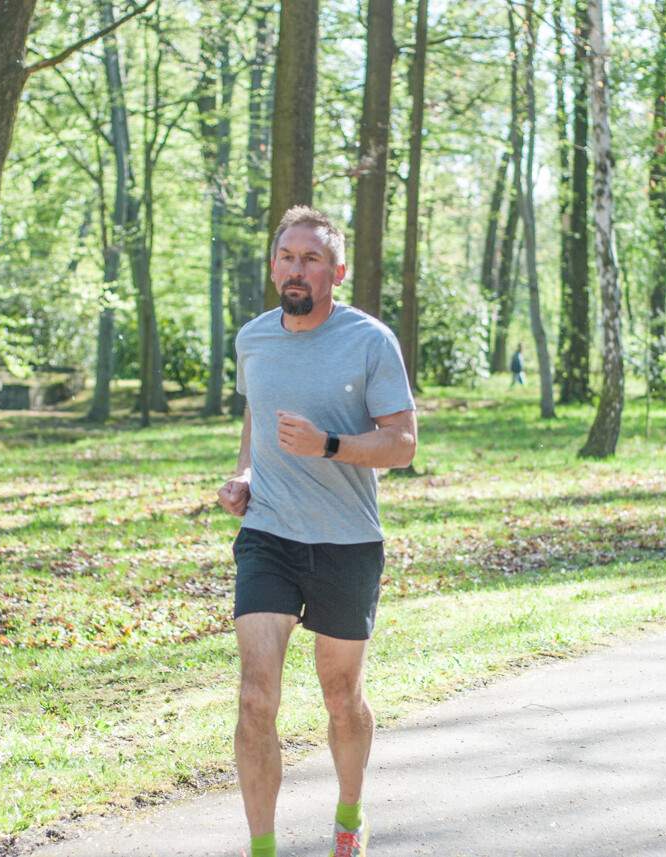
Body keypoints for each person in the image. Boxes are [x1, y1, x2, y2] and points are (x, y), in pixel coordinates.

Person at [217, 206, 417, 857]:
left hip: (346, 542)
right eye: (286, 256)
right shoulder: (253, 339)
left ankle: (350, 817)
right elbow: (256, 412)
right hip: (269, 535)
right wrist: (243, 471)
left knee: (340, 696)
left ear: (337, 270)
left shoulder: (369, 340)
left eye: (310, 258)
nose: (295, 268)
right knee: (255, 696)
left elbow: (403, 443)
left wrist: (328, 444)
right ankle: (263, 848)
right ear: (273, 264)